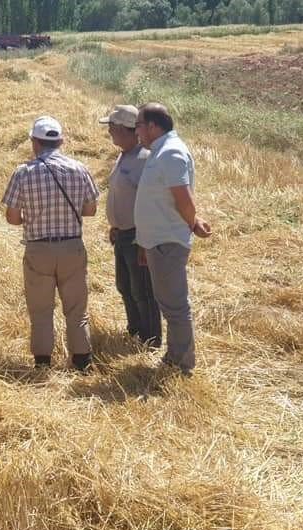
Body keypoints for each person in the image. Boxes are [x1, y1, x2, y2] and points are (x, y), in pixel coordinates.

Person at [3, 116, 99, 371]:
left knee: (41, 310)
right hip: (71, 247)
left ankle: (43, 363)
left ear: (35, 142)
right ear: (61, 142)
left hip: (39, 249)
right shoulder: (79, 168)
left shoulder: (23, 173)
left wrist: (32, 217)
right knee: (77, 309)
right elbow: (90, 209)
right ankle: (81, 361)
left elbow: (12, 218)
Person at [134, 103, 213, 377]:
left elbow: (182, 197)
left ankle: (181, 364)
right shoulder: (159, 151)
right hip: (158, 241)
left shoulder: (171, 153)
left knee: (175, 306)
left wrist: (193, 223)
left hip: (168, 241)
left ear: (154, 126)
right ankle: (175, 356)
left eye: (139, 126)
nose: (137, 132)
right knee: (168, 302)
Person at [98, 104, 160, 348]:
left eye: (112, 128)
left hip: (137, 236)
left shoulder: (144, 159)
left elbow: (151, 203)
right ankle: (135, 331)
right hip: (122, 234)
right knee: (125, 286)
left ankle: (150, 339)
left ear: (128, 130)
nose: (109, 132)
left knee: (142, 290)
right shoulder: (124, 155)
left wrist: (144, 239)